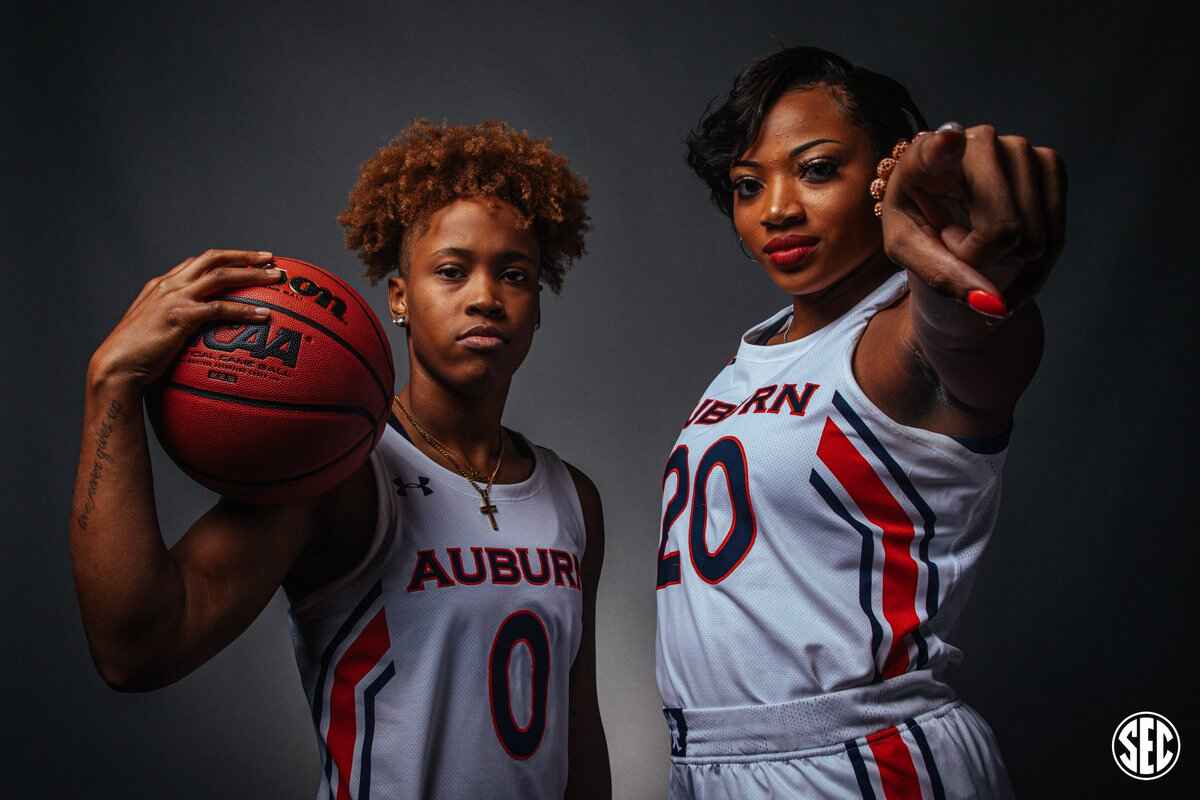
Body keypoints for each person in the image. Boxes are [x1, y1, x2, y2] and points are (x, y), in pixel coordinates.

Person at [70, 120, 611, 800]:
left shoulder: (572, 498)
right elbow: (137, 648)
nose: (484, 297)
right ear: (400, 298)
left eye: (515, 275)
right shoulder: (341, 475)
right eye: (450, 270)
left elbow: (577, 723)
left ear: (537, 306)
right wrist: (110, 387)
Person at [655, 47, 1065, 798]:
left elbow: (963, 329)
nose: (776, 207)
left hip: (859, 761)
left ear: (886, 175)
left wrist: (972, 257)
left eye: (815, 170)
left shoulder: (899, 338)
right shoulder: (751, 358)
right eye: (749, 185)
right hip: (708, 765)